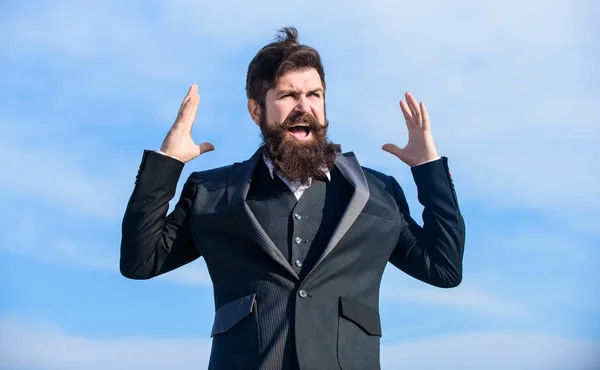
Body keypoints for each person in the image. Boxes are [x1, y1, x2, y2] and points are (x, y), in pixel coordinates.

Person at [120, 27, 465, 370]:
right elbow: (140, 260)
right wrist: (168, 164)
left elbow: (443, 268)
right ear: (256, 110)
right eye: (288, 96)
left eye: (314, 95)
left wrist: (428, 169)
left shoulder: (378, 193)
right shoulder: (213, 193)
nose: (304, 107)